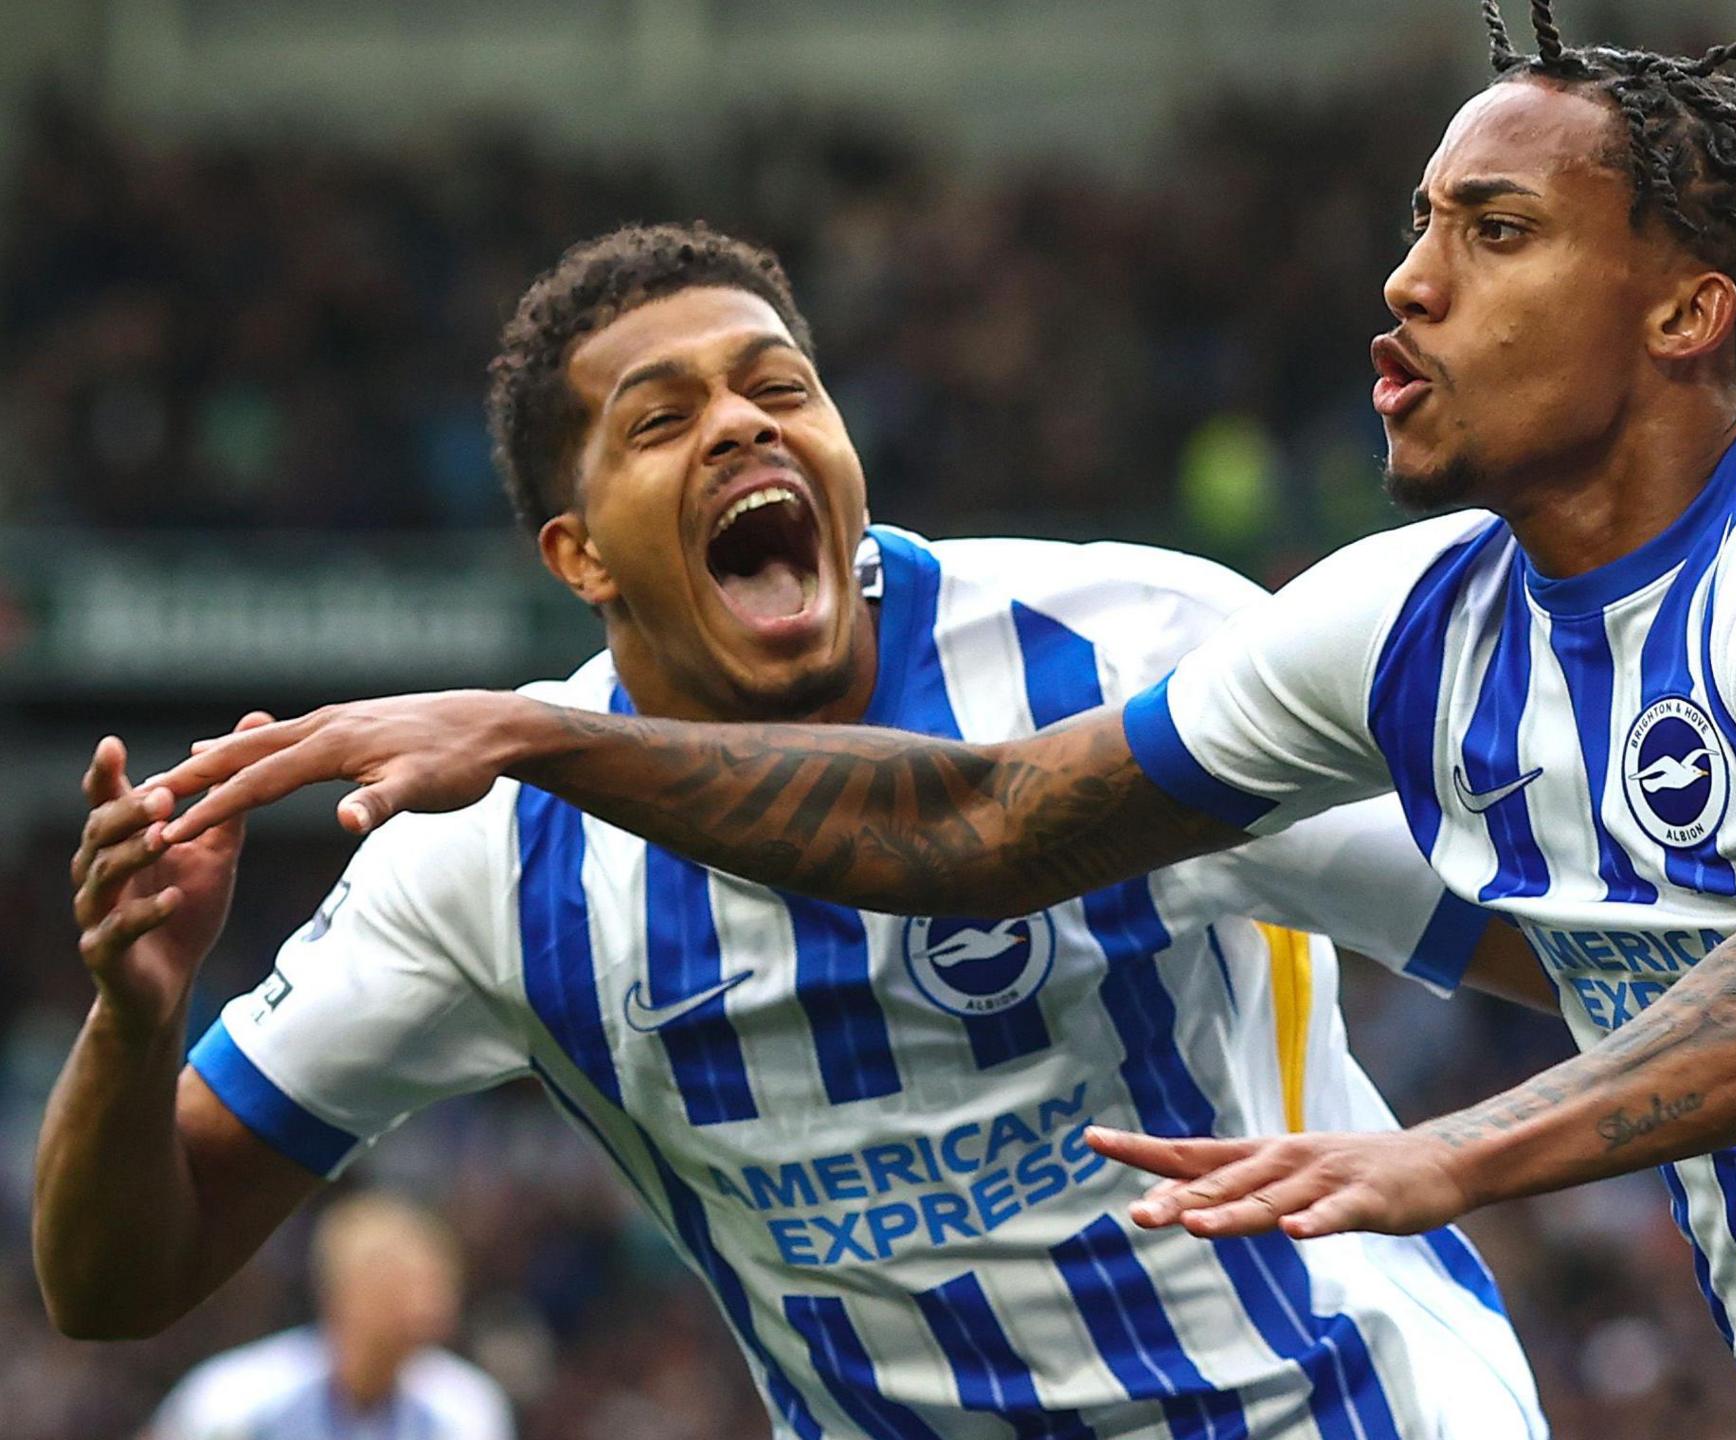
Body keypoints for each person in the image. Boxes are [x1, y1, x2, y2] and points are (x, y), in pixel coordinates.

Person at [135, 8, 1736, 1435]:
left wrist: (1440, 1157)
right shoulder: (1401, 624)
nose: (1403, 283)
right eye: (1410, 227)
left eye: (1489, 232)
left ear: (1679, 304)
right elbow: (998, 817)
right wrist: (557, 745)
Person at [39, 222, 1558, 1439]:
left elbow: (1550, 950)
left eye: (779, 390)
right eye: (662, 420)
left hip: (1347, 1409)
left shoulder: (1131, 650)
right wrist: (134, 1016)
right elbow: (113, 1281)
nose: (740, 431)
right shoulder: (487, 866)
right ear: (577, 555)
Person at [147, 1193, 513, 1440]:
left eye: (438, 1283)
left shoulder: (465, 1408)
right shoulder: (236, 1400)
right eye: (402, 1285)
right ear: (344, 1291)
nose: (430, 1304)